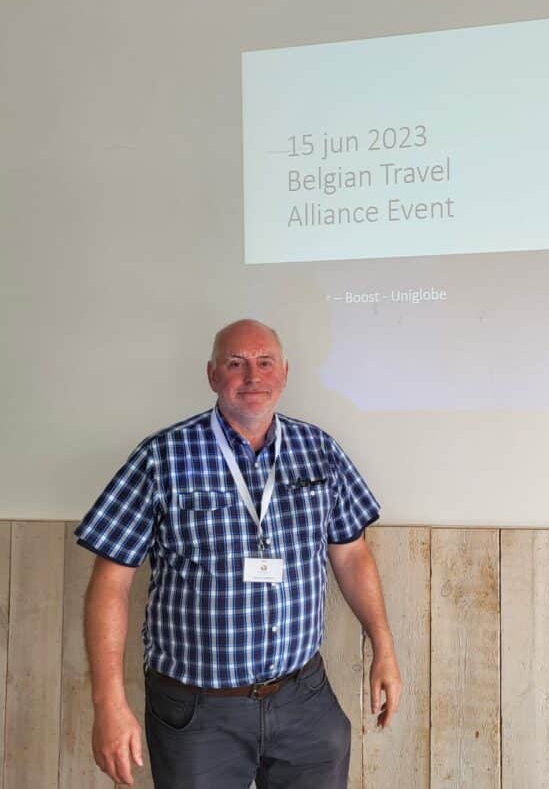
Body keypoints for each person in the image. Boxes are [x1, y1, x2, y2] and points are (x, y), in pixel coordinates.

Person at [75, 319, 402, 788]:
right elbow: (110, 582)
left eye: (265, 363)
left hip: (304, 699)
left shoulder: (320, 450)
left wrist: (383, 648)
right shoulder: (162, 457)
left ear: (284, 373)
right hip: (198, 712)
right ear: (212, 375)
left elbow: (352, 556)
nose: (253, 376)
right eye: (236, 364)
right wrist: (108, 703)